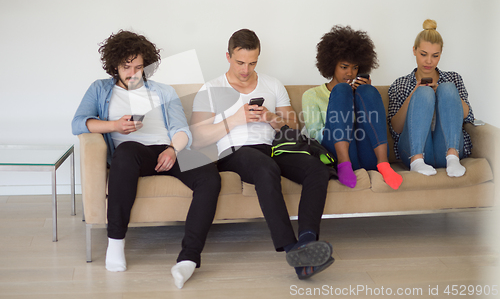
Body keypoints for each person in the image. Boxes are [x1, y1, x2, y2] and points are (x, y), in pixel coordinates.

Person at [71, 30, 221, 289]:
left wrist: (173, 150)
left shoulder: (164, 91)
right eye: (126, 67)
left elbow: (181, 129)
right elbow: (78, 123)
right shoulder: (99, 89)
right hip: (131, 154)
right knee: (126, 151)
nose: (133, 74)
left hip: (166, 150)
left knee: (209, 175)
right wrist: (115, 125)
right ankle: (116, 243)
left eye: (139, 67)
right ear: (114, 65)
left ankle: (189, 257)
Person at [190, 29, 334, 280]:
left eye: (252, 62)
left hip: (274, 148)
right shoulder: (212, 87)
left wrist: (271, 118)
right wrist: (235, 119)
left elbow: (292, 126)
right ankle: (293, 249)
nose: (246, 70)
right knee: (265, 169)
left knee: (316, 169)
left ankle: (308, 239)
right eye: (240, 62)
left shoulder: (272, 84)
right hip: (234, 152)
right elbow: (198, 138)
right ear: (228, 56)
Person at [302, 25, 403, 190]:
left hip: (366, 154)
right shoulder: (311, 95)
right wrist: (343, 101)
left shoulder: (361, 92)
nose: (350, 73)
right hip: (335, 153)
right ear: (331, 64)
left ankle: (384, 164)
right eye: (344, 67)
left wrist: (359, 97)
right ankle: (344, 164)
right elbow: (316, 136)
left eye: (355, 67)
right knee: (341, 90)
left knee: (368, 90)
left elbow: (372, 127)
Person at [388, 19, 474, 177]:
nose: (429, 61)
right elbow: (396, 129)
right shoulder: (400, 84)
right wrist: (415, 94)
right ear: (414, 50)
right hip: (414, 148)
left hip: (447, 146)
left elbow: (467, 116)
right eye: (423, 54)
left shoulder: (454, 78)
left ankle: (453, 156)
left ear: (441, 54)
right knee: (423, 93)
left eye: (435, 55)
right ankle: (417, 160)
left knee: (447, 87)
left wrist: (444, 92)